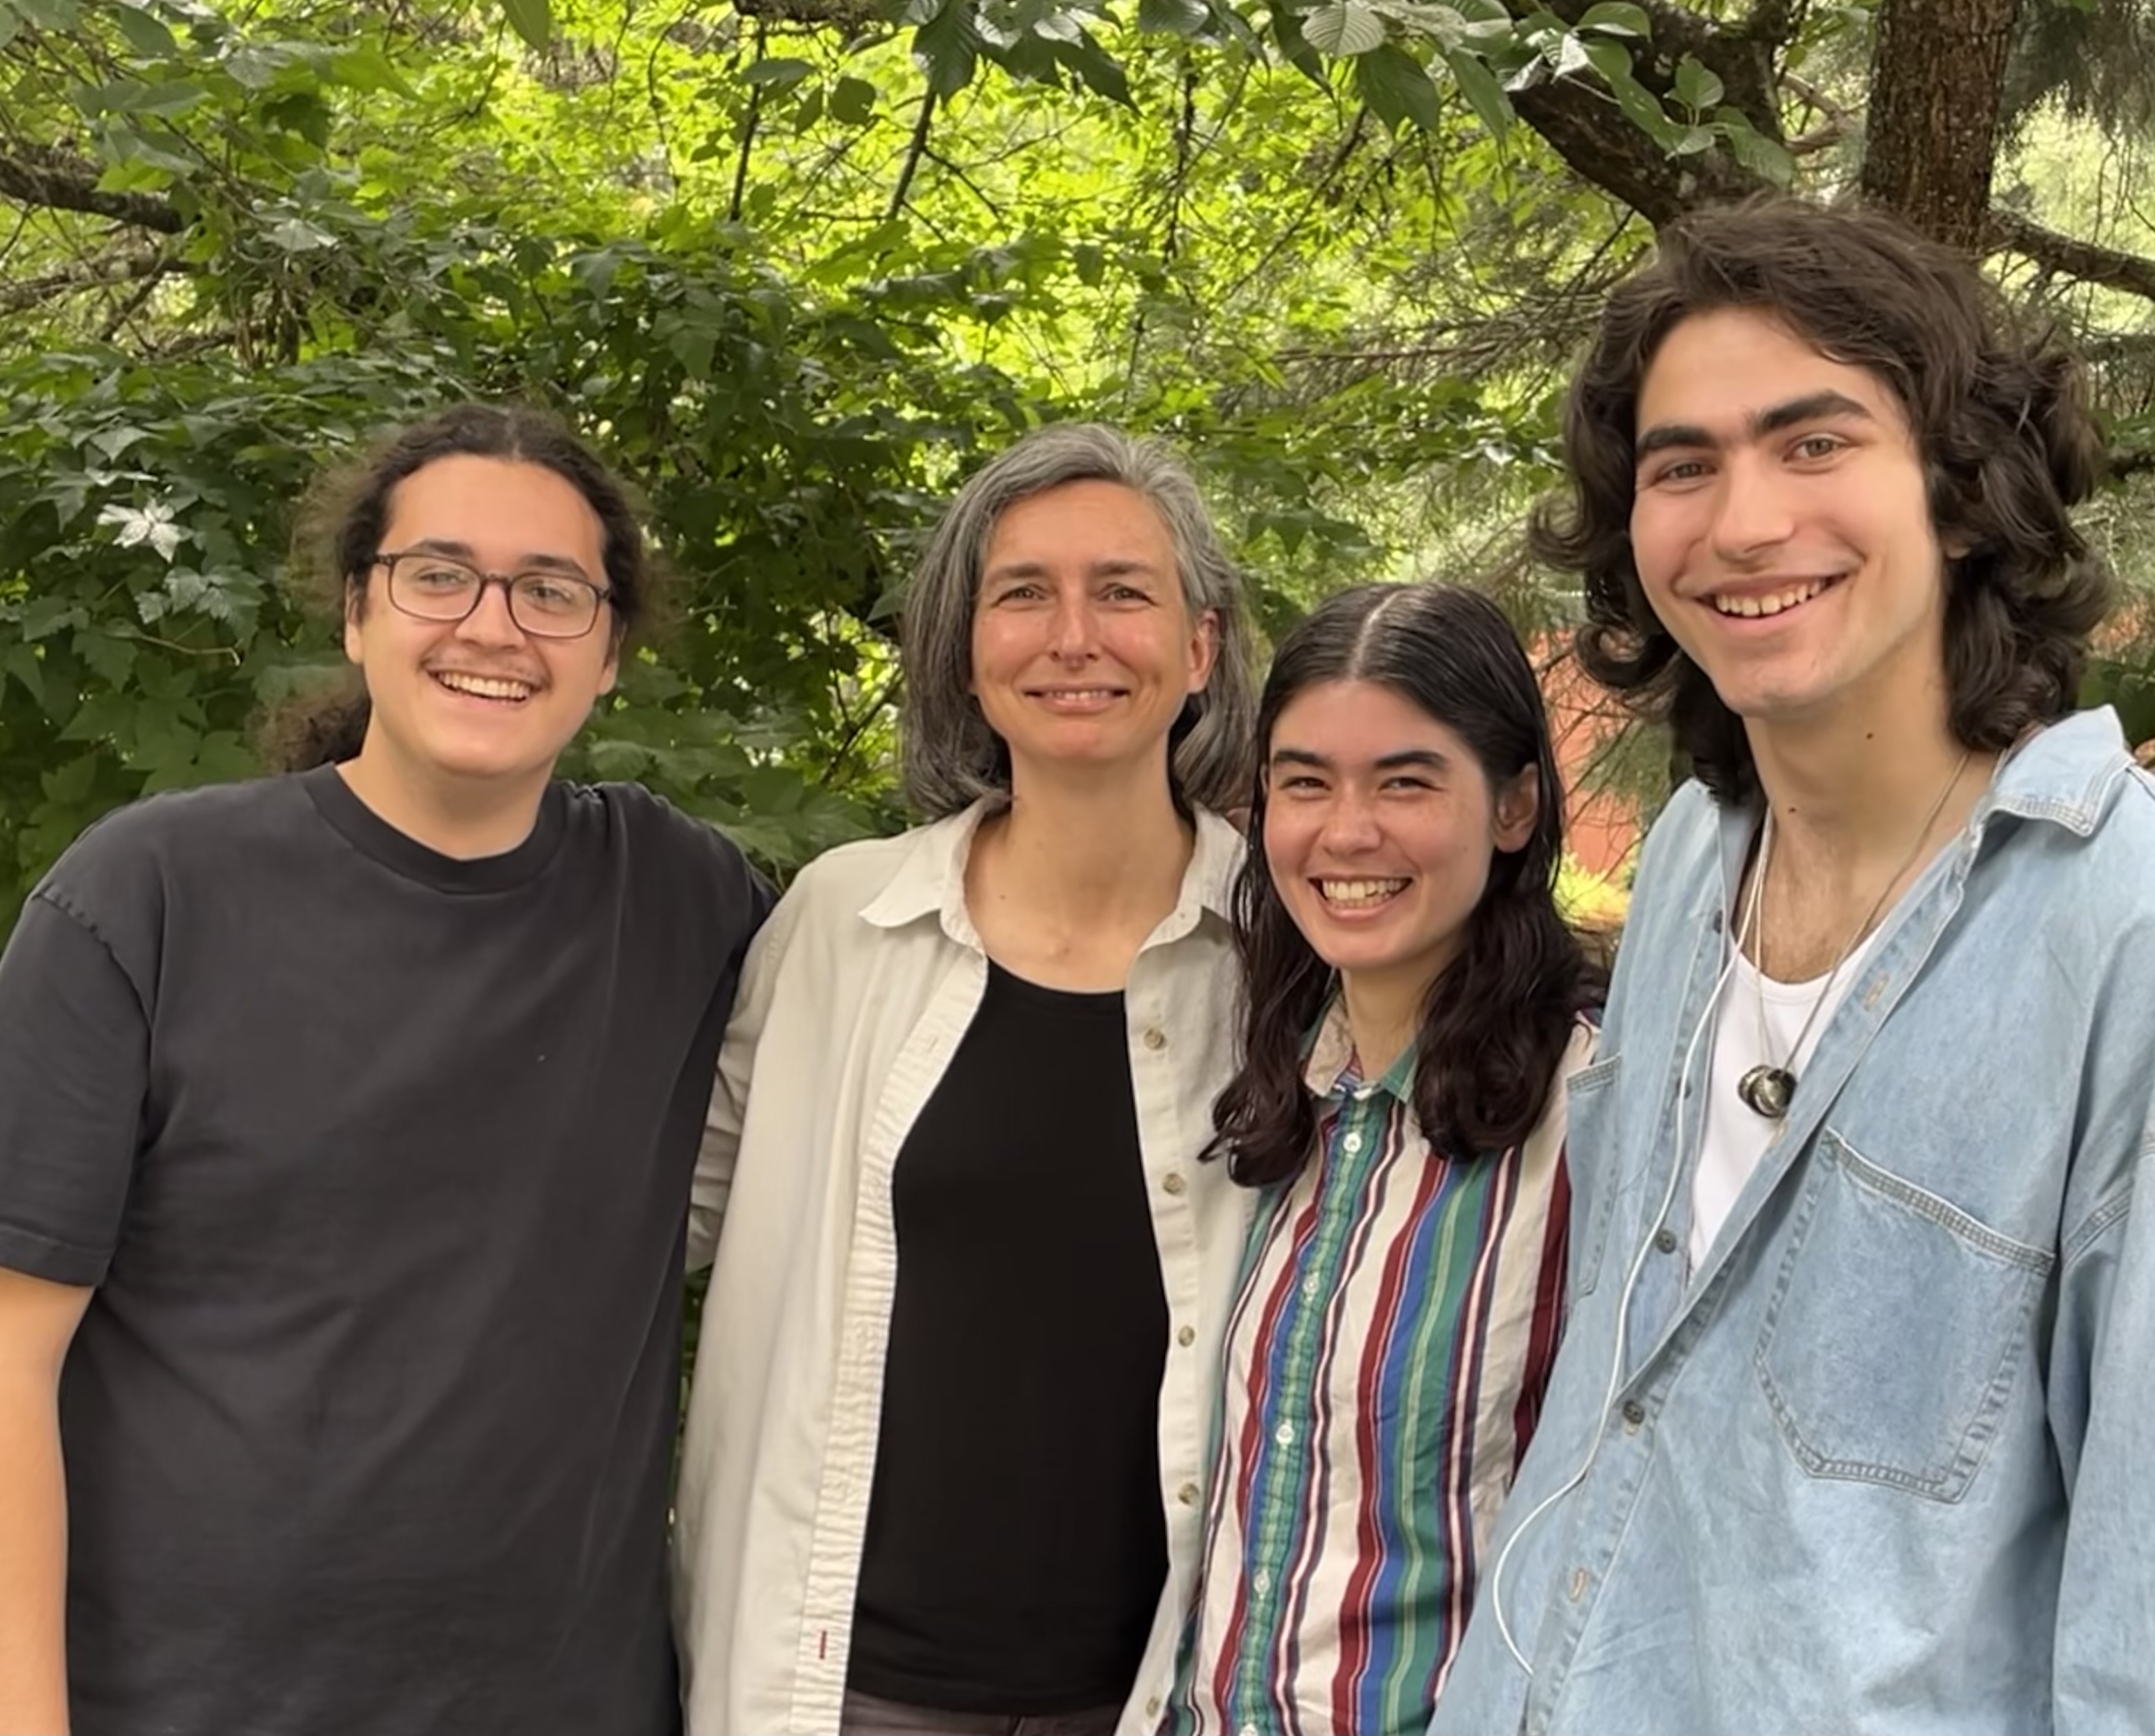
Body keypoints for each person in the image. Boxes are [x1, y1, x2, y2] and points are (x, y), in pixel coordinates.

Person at [1432, 198, 2155, 1734]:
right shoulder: (1698, 861)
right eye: (1680, 464)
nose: (1742, 521)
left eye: (1814, 441)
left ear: (1961, 496)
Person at [0, 404, 772, 1736]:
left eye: (552, 590)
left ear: (610, 655)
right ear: (358, 613)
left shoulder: (686, 902)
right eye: (438, 574)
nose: (492, 624)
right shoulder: (150, 893)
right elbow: (10, 1355)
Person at [675, 423, 1260, 1736]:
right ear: (966, 651)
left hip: (1170, 1685)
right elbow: (655, 1233)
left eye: (1123, 590)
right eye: (1022, 594)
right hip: (848, 1679)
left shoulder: (1287, 953)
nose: (1074, 635)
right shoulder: (840, 923)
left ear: (1201, 648)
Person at [1165, 583, 1598, 1736]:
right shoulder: (1265, 1089)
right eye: (1305, 782)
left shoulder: (1601, 1115)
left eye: (1405, 781)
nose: (1346, 832)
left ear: (1512, 807)